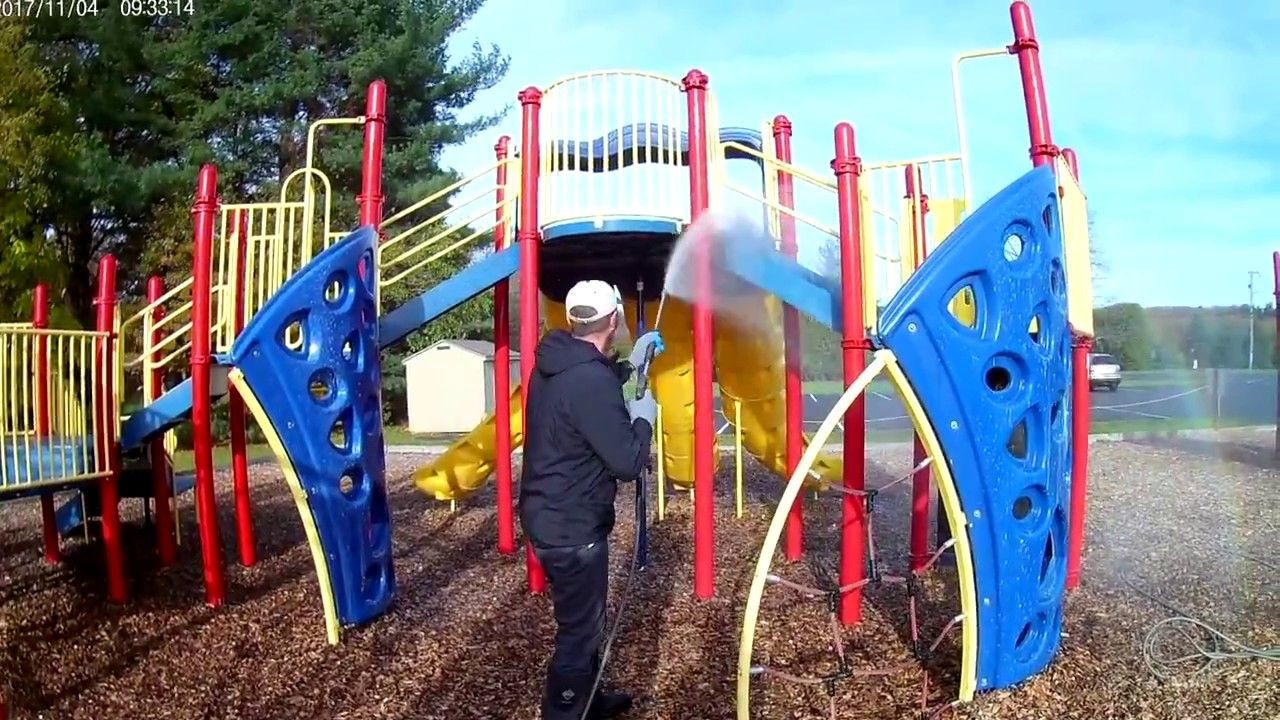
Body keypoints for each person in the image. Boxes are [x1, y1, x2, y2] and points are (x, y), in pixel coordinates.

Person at [518, 279, 662, 720]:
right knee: (579, 633)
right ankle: (563, 712)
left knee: (586, 624)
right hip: (571, 528)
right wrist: (644, 422)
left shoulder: (555, 365)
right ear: (614, 319)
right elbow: (626, 462)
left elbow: (589, 387)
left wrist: (629, 367)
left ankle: (589, 699)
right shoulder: (588, 381)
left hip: (550, 515)